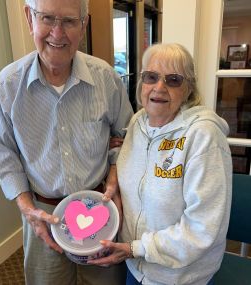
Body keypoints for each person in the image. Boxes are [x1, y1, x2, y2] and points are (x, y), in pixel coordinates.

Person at [0, 0, 133, 284]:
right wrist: (28, 209)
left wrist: (113, 176)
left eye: (69, 21)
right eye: (48, 18)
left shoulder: (106, 79)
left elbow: (125, 135)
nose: (57, 33)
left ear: (84, 24)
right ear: (30, 19)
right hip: (43, 215)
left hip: (100, 211)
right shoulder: (6, 87)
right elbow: (4, 154)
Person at [88, 43, 232, 285]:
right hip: (135, 266)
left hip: (179, 277)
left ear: (189, 88)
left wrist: (136, 248)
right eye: (151, 77)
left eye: (173, 80)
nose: (159, 87)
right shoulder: (137, 122)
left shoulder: (204, 136)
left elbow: (202, 228)